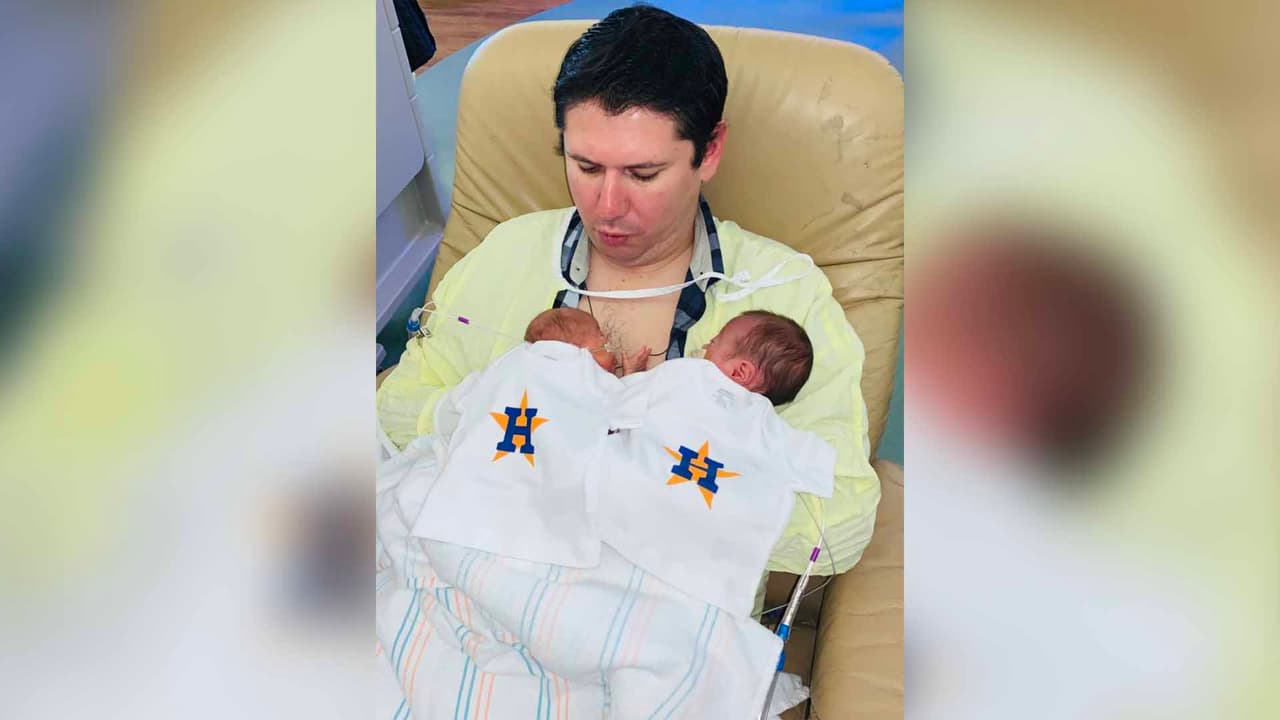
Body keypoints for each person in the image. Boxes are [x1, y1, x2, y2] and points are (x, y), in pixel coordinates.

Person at [377, 5, 880, 578]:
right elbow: (397, 408)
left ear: (709, 150)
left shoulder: (785, 299)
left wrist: (630, 482)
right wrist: (512, 423)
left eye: (642, 175)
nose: (608, 207)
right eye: (585, 166)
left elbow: (839, 522)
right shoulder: (508, 254)